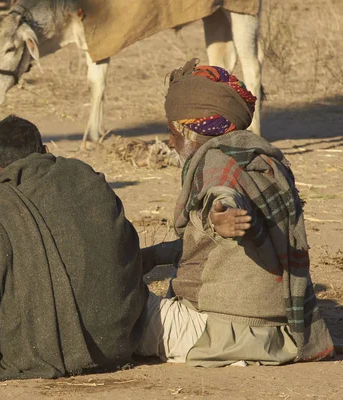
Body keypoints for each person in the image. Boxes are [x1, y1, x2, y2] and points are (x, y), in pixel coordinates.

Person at [136, 59, 334, 366]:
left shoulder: (214, 161)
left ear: (188, 132)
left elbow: (223, 195)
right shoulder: (263, 160)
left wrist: (222, 215)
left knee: (111, 306)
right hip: (278, 337)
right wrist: (152, 256)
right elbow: (212, 248)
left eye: (171, 131)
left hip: (217, 334)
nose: (169, 142)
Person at [0, 115, 148, 380]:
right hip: (119, 340)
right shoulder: (87, 178)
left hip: (45, 349)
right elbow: (126, 247)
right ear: (45, 151)